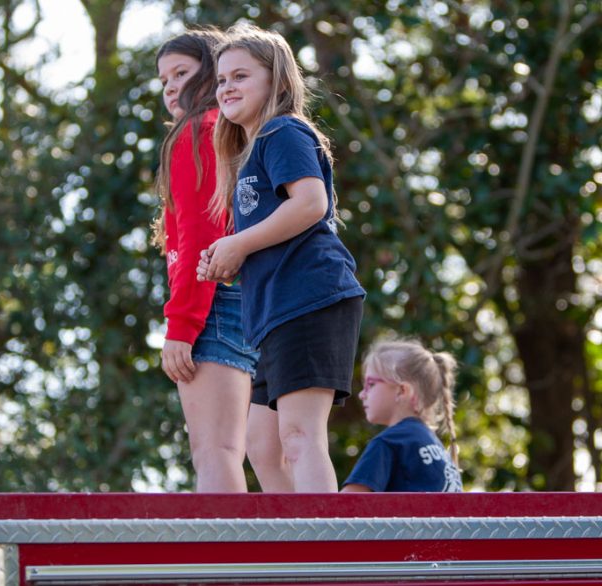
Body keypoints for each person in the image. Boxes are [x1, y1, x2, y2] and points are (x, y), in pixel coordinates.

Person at [197, 24, 365, 493]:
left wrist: (240, 244)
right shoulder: (250, 152)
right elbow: (270, 234)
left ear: (277, 81)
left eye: (240, 76)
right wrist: (225, 257)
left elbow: (311, 204)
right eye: (221, 79)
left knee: (299, 436)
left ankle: (321, 557)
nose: (226, 87)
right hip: (274, 312)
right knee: (263, 446)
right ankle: (294, 548)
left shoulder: (282, 130)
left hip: (310, 297)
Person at [153, 28, 260, 492]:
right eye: (163, 81)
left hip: (212, 304)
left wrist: (181, 324)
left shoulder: (197, 132)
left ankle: (228, 565)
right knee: (252, 452)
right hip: (252, 301)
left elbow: (202, 234)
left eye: (182, 73)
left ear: (211, 74)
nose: (171, 87)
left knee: (214, 452)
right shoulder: (233, 131)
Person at [342, 338, 462, 492]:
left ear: (402, 391)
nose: (361, 394)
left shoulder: (390, 442)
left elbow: (347, 504)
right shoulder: (437, 449)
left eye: (370, 384)